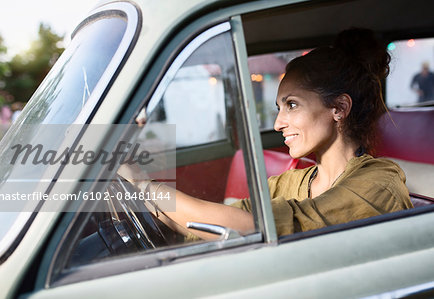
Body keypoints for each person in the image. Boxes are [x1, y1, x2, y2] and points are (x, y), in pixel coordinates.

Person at [118, 28, 413, 240]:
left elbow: (253, 226)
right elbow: (217, 223)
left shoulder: (379, 182)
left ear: (338, 108)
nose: (277, 123)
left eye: (292, 105)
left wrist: (144, 186)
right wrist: (139, 192)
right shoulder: (291, 182)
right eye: (278, 107)